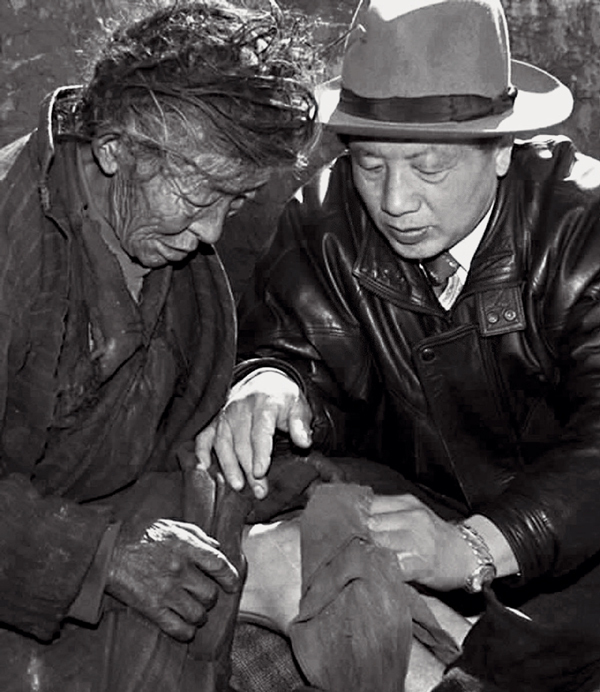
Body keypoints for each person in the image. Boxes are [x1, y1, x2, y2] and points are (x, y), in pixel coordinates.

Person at [196, 0, 600, 690]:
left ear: (503, 149)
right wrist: (270, 383)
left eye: (427, 167)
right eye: (370, 164)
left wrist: (473, 547)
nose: (395, 201)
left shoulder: (583, 228)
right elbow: (292, 351)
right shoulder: (324, 221)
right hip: (425, 518)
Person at [0, 1, 319, 690]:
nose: (212, 232)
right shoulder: (13, 243)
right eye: (202, 194)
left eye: (237, 201)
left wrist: (246, 404)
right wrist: (104, 560)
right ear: (115, 147)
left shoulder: (171, 247)